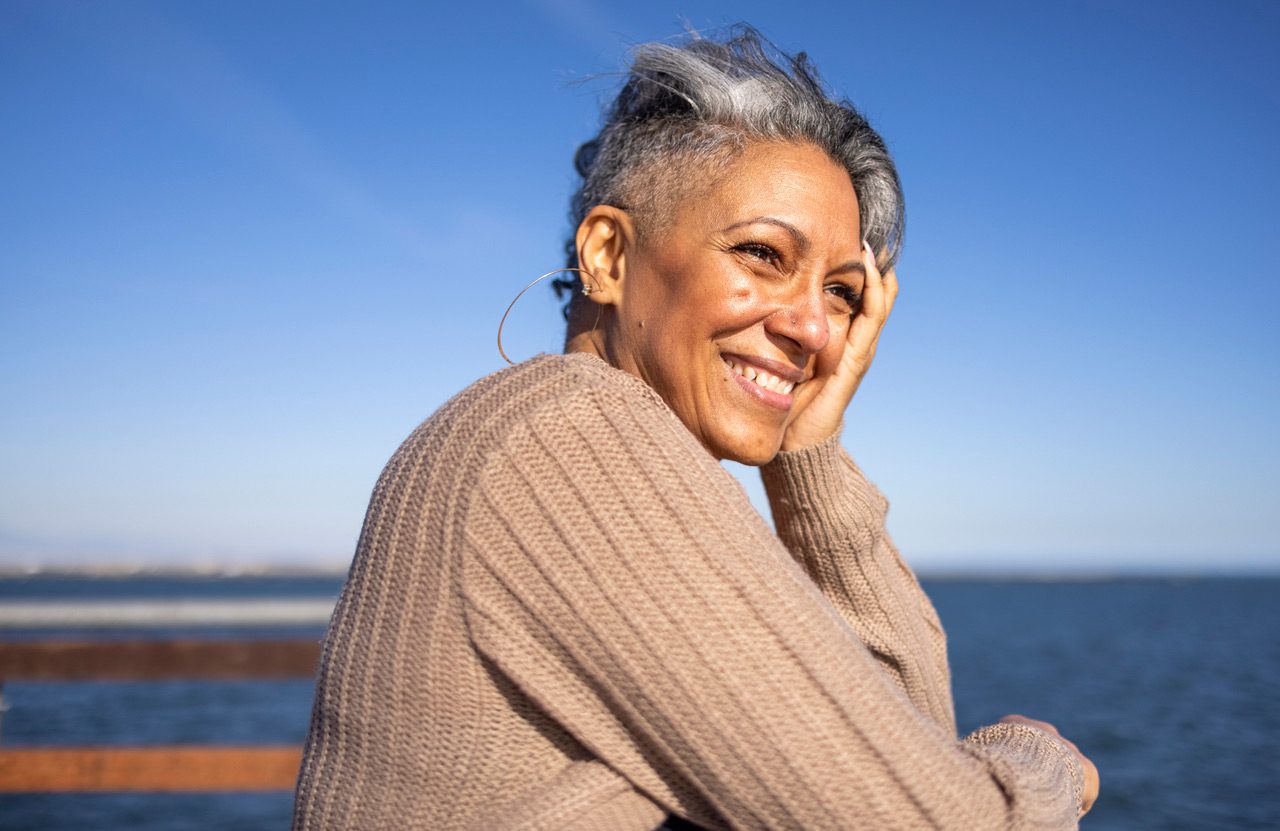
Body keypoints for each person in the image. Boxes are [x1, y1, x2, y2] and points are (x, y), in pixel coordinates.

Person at [292, 26, 1099, 830]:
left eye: (844, 293)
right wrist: (1042, 758)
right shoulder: (569, 439)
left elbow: (903, 751)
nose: (816, 329)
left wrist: (811, 455)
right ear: (607, 254)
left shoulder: (536, 431)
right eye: (762, 254)